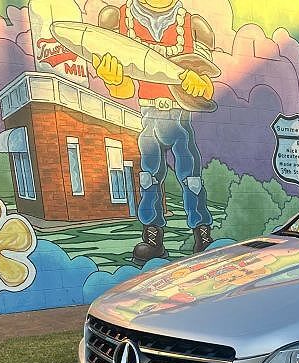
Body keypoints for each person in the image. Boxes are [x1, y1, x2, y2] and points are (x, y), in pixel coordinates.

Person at [92, 0, 216, 264]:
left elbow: (207, 91)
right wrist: (114, 79)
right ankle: (152, 237)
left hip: (180, 116)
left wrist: (199, 83)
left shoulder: (194, 26)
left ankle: (202, 234)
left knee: (191, 178)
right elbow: (124, 91)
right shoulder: (117, 19)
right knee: (149, 178)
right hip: (149, 114)